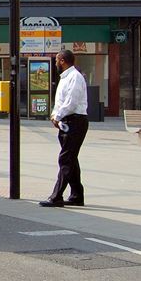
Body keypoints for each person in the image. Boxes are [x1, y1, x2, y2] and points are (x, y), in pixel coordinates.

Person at [40, 49, 89, 208]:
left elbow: (71, 102)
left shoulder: (75, 77)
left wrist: (58, 115)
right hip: (67, 121)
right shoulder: (65, 77)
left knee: (65, 158)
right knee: (71, 158)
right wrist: (55, 115)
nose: (55, 63)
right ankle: (76, 195)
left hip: (75, 121)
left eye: (56, 60)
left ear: (62, 60)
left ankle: (56, 196)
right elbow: (60, 101)